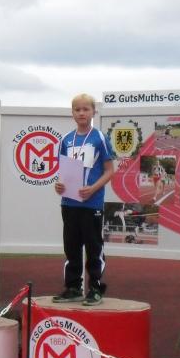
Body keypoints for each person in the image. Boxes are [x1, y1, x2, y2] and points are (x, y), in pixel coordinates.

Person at [53, 93, 114, 306]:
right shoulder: (66, 140)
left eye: (85, 109)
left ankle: (95, 287)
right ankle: (73, 287)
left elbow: (109, 170)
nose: (81, 113)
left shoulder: (99, 138)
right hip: (69, 202)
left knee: (93, 246)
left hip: (91, 203)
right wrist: (59, 185)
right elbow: (63, 172)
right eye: (77, 109)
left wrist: (93, 188)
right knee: (71, 246)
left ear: (93, 112)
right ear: (72, 113)